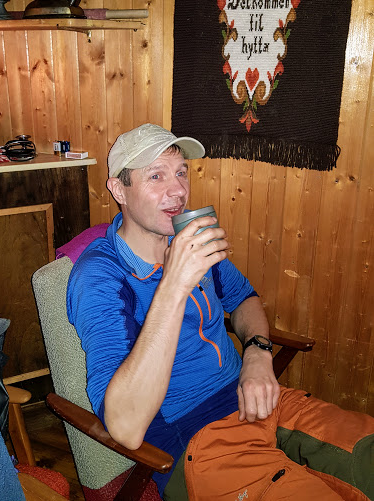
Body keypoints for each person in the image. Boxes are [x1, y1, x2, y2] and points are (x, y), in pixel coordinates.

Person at [67, 123, 374, 501]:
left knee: (366, 454)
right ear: (119, 189)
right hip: (196, 438)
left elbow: (244, 298)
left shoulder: (190, 238)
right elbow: (126, 427)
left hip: (257, 400)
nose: (178, 190)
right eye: (156, 176)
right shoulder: (100, 276)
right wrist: (174, 284)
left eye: (181, 173)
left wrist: (258, 355)